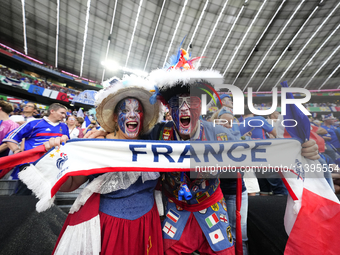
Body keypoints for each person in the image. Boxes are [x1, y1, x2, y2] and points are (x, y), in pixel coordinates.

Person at [45, 76, 163, 255]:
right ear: (115, 117)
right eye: (125, 110)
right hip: (108, 227)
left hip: (146, 225)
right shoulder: (95, 144)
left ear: (142, 116)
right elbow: (69, 185)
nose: (132, 115)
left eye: (137, 111)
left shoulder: (154, 144)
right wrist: (55, 156)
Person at [3, 103, 69, 195]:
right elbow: (10, 137)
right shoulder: (34, 123)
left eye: (65, 114)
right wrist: (17, 151)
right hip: (31, 164)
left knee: (45, 196)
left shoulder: (64, 127)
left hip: (52, 165)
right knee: (23, 194)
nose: (64, 116)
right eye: (62, 113)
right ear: (52, 111)